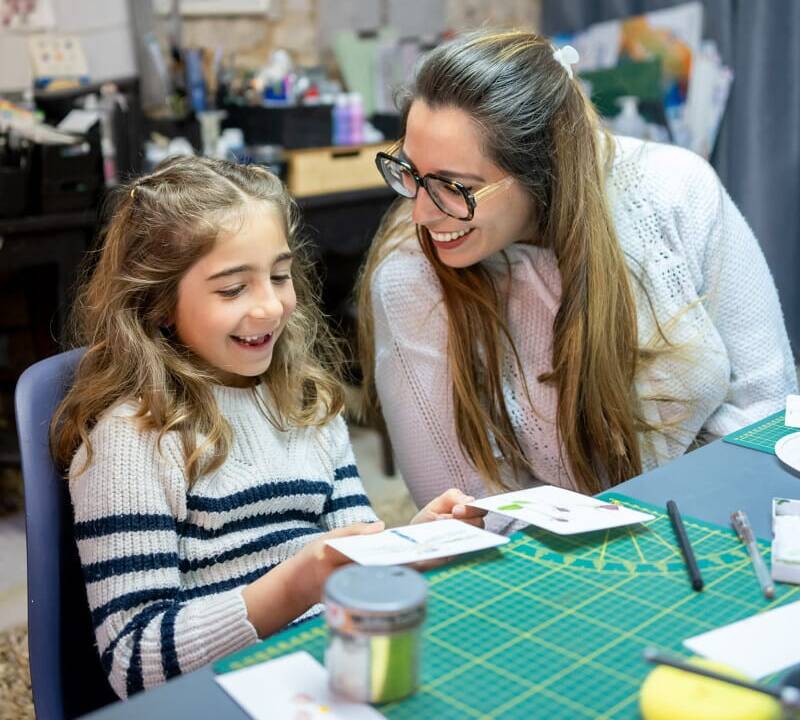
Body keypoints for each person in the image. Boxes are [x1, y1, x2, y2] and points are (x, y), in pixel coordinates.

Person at [50, 156, 482, 698]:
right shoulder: (134, 440)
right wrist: (294, 586)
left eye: (280, 276)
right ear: (159, 304)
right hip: (220, 693)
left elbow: (353, 547)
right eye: (232, 290)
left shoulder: (306, 404)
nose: (271, 306)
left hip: (322, 666)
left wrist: (407, 544)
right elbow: (134, 664)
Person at [357, 29, 797, 525]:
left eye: (455, 187)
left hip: (726, 518)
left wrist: (691, 515)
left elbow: (768, 405)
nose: (420, 214)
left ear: (542, 169)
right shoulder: (409, 274)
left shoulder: (676, 189)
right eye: (411, 173)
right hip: (558, 559)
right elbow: (465, 509)